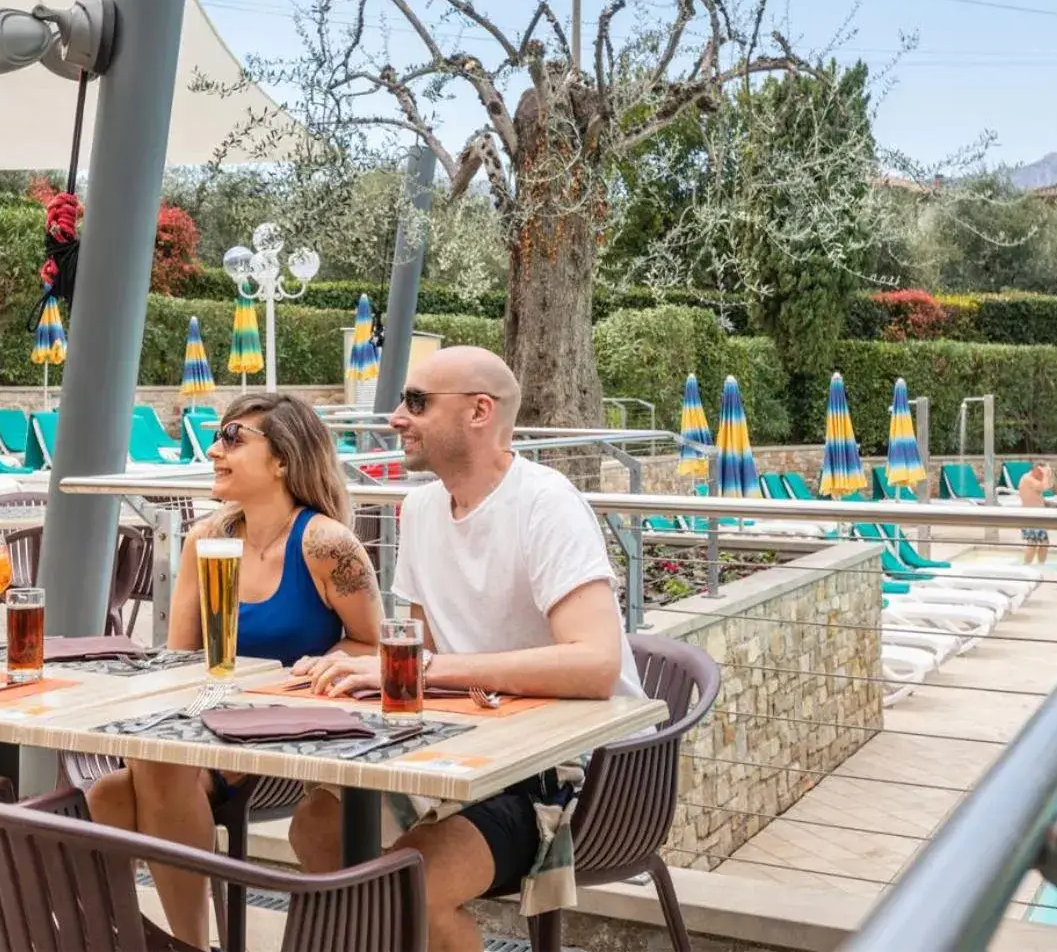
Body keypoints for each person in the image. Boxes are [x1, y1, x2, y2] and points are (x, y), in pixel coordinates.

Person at [287, 347, 645, 952]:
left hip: (573, 773)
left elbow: (595, 663)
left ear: (480, 411)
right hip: (466, 754)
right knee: (318, 827)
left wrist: (423, 671)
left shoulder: (546, 504)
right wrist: (364, 667)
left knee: (417, 880)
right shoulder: (422, 507)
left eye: (417, 402)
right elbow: (419, 644)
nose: (397, 417)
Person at [85, 392, 383, 950]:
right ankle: (142, 938)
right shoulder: (208, 539)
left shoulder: (325, 544)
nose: (216, 449)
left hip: (297, 723)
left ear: (282, 461)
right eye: (219, 436)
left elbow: (376, 643)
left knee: (139, 774)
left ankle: (189, 942)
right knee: (112, 789)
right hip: (219, 710)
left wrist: (320, 665)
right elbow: (182, 660)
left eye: (233, 439)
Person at [1018, 462, 1052, 565]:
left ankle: (1040, 565)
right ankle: (1026, 566)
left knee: (1043, 543)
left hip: (1037, 515)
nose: (1042, 475)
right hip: (1030, 515)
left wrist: (1048, 474)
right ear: (1036, 470)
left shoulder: (1034, 478)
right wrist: (1046, 475)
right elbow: (1044, 487)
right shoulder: (1028, 479)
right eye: (1041, 473)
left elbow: (1049, 485)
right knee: (1033, 543)